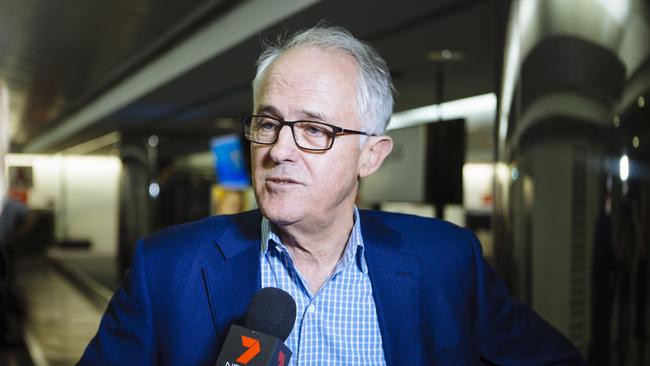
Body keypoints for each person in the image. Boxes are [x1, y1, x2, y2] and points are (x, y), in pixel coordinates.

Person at [79, 25, 585, 365]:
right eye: (268, 122)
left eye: (316, 130)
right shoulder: (167, 270)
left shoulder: (447, 261)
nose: (279, 150)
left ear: (372, 155)